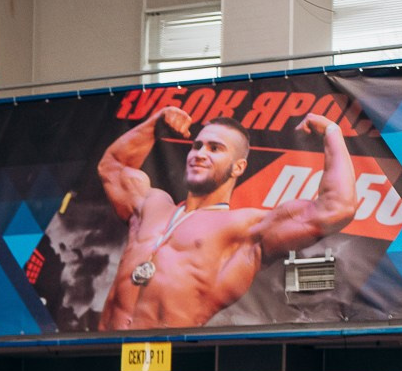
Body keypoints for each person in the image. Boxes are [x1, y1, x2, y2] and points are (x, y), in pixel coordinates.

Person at [97, 109, 355, 330]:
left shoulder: (245, 229)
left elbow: (337, 208)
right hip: (101, 350)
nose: (200, 153)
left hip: (170, 354)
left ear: (238, 167)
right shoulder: (152, 205)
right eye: (197, 146)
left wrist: (332, 132)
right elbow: (112, 167)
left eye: (215, 149)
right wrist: (155, 122)